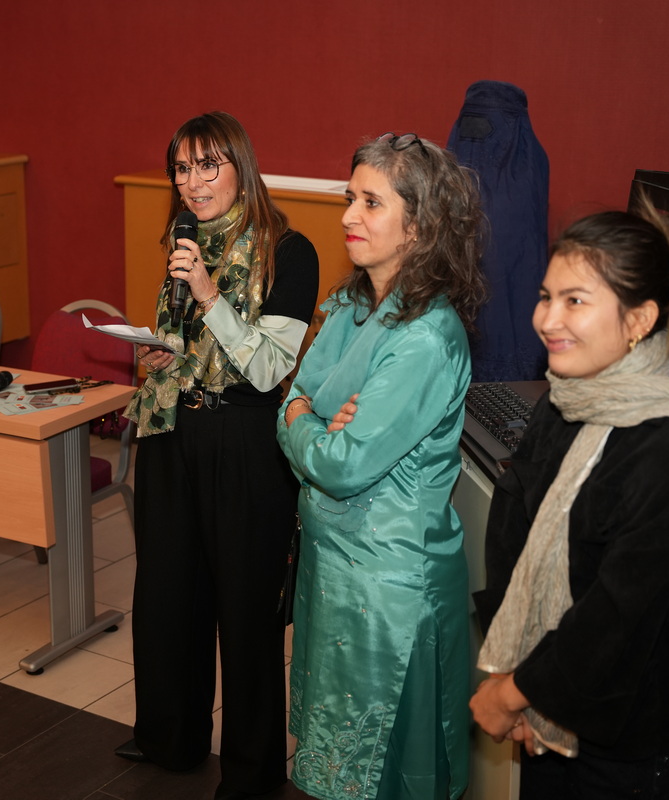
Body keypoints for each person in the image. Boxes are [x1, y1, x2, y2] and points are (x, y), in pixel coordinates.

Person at [469, 205, 669, 798]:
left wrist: (512, 694)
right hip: (556, 711)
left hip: (638, 751)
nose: (548, 319)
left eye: (575, 300)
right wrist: (518, 675)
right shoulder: (567, 399)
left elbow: (617, 617)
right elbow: (515, 521)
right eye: (546, 297)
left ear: (640, 319)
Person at [277, 133, 488, 800]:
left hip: (388, 589)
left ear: (419, 224)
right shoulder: (353, 302)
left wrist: (303, 422)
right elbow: (295, 397)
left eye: (371, 202)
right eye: (350, 198)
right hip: (333, 567)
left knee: (385, 773)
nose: (348, 216)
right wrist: (307, 418)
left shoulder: (425, 338)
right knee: (338, 763)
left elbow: (340, 464)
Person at [119, 111, 319, 800]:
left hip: (244, 444)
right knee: (167, 596)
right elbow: (192, 347)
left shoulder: (289, 252)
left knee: (244, 611)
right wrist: (160, 352)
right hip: (174, 432)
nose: (193, 182)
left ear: (241, 167)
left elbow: (267, 371)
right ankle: (169, 737)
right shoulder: (184, 238)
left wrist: (207, 294)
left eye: (208, 165)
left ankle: (251, 773)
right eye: (182, 168)